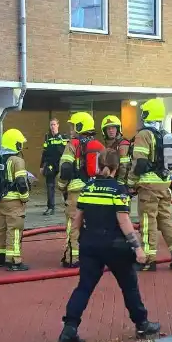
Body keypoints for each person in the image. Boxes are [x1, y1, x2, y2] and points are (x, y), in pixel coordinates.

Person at [58, 149, 162, 342]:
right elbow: (124, 222)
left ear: (98, 166)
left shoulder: (87, 188)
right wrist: (138, 249)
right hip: (116, 247)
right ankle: (142, 324)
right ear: (117, 168)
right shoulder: (118, 189)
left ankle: (69, 328)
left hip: (90, 246)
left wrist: (79, 241)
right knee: (129, 286)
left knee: (84, 287)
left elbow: (77, 219)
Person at [130, 98, 172, 271]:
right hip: (164, 185)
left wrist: (130, 183)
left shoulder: (144, 135)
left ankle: (148, 260)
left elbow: (139, 164)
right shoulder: (166, 135)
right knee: (165, 221)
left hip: (148, 186)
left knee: (148, 222)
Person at [57, 111, 99, 268]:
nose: (71, 129)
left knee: (73, 224)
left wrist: (61, 186)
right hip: (94, 191)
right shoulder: (96, 145)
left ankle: (72, 258)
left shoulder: (72, 144)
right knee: (92, 225)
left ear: (80, 126)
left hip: (76, 191)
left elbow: (65, 169)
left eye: (73, 126)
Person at [0, 128, 31, 271]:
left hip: (1, 201)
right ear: (15, 144)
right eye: (20, 143)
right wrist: (25, 197)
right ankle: (14, 261)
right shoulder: (17, 160)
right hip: (14, 201)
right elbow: (21, 182)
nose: (21, 145)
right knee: (14, 230)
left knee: (1, 229)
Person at [40, 118, 67, 216]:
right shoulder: (47, 137)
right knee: (50, 186)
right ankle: (50, 207)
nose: (52, 126)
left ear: (58, 125)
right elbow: (44, 152)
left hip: (61, 163)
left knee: (64, 185)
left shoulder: (63, 137)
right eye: (51, 125)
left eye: (54, 124)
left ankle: (67, 205)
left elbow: (67, 151)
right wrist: (41, 165)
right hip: (50, 164)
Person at [101, 115, 132, 187]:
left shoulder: (123, 143)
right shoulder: (105, 145)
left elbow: (124, 165)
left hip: (120, 181)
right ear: (104, 131)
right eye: (108, 128)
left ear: (117, 129)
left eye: (113, 128)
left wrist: (120, 183)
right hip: (109, 180)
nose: (111, 130)